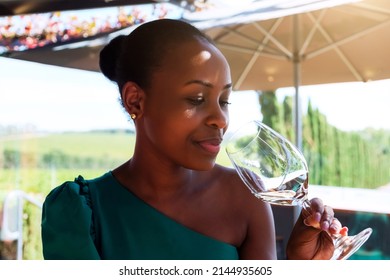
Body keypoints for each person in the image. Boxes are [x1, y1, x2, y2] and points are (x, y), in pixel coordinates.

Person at [41, 19, 346, 260]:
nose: (221, 119)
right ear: (135, 101)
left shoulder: (244, 199)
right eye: (197, 98)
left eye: (224, 100)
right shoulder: (80, 213)